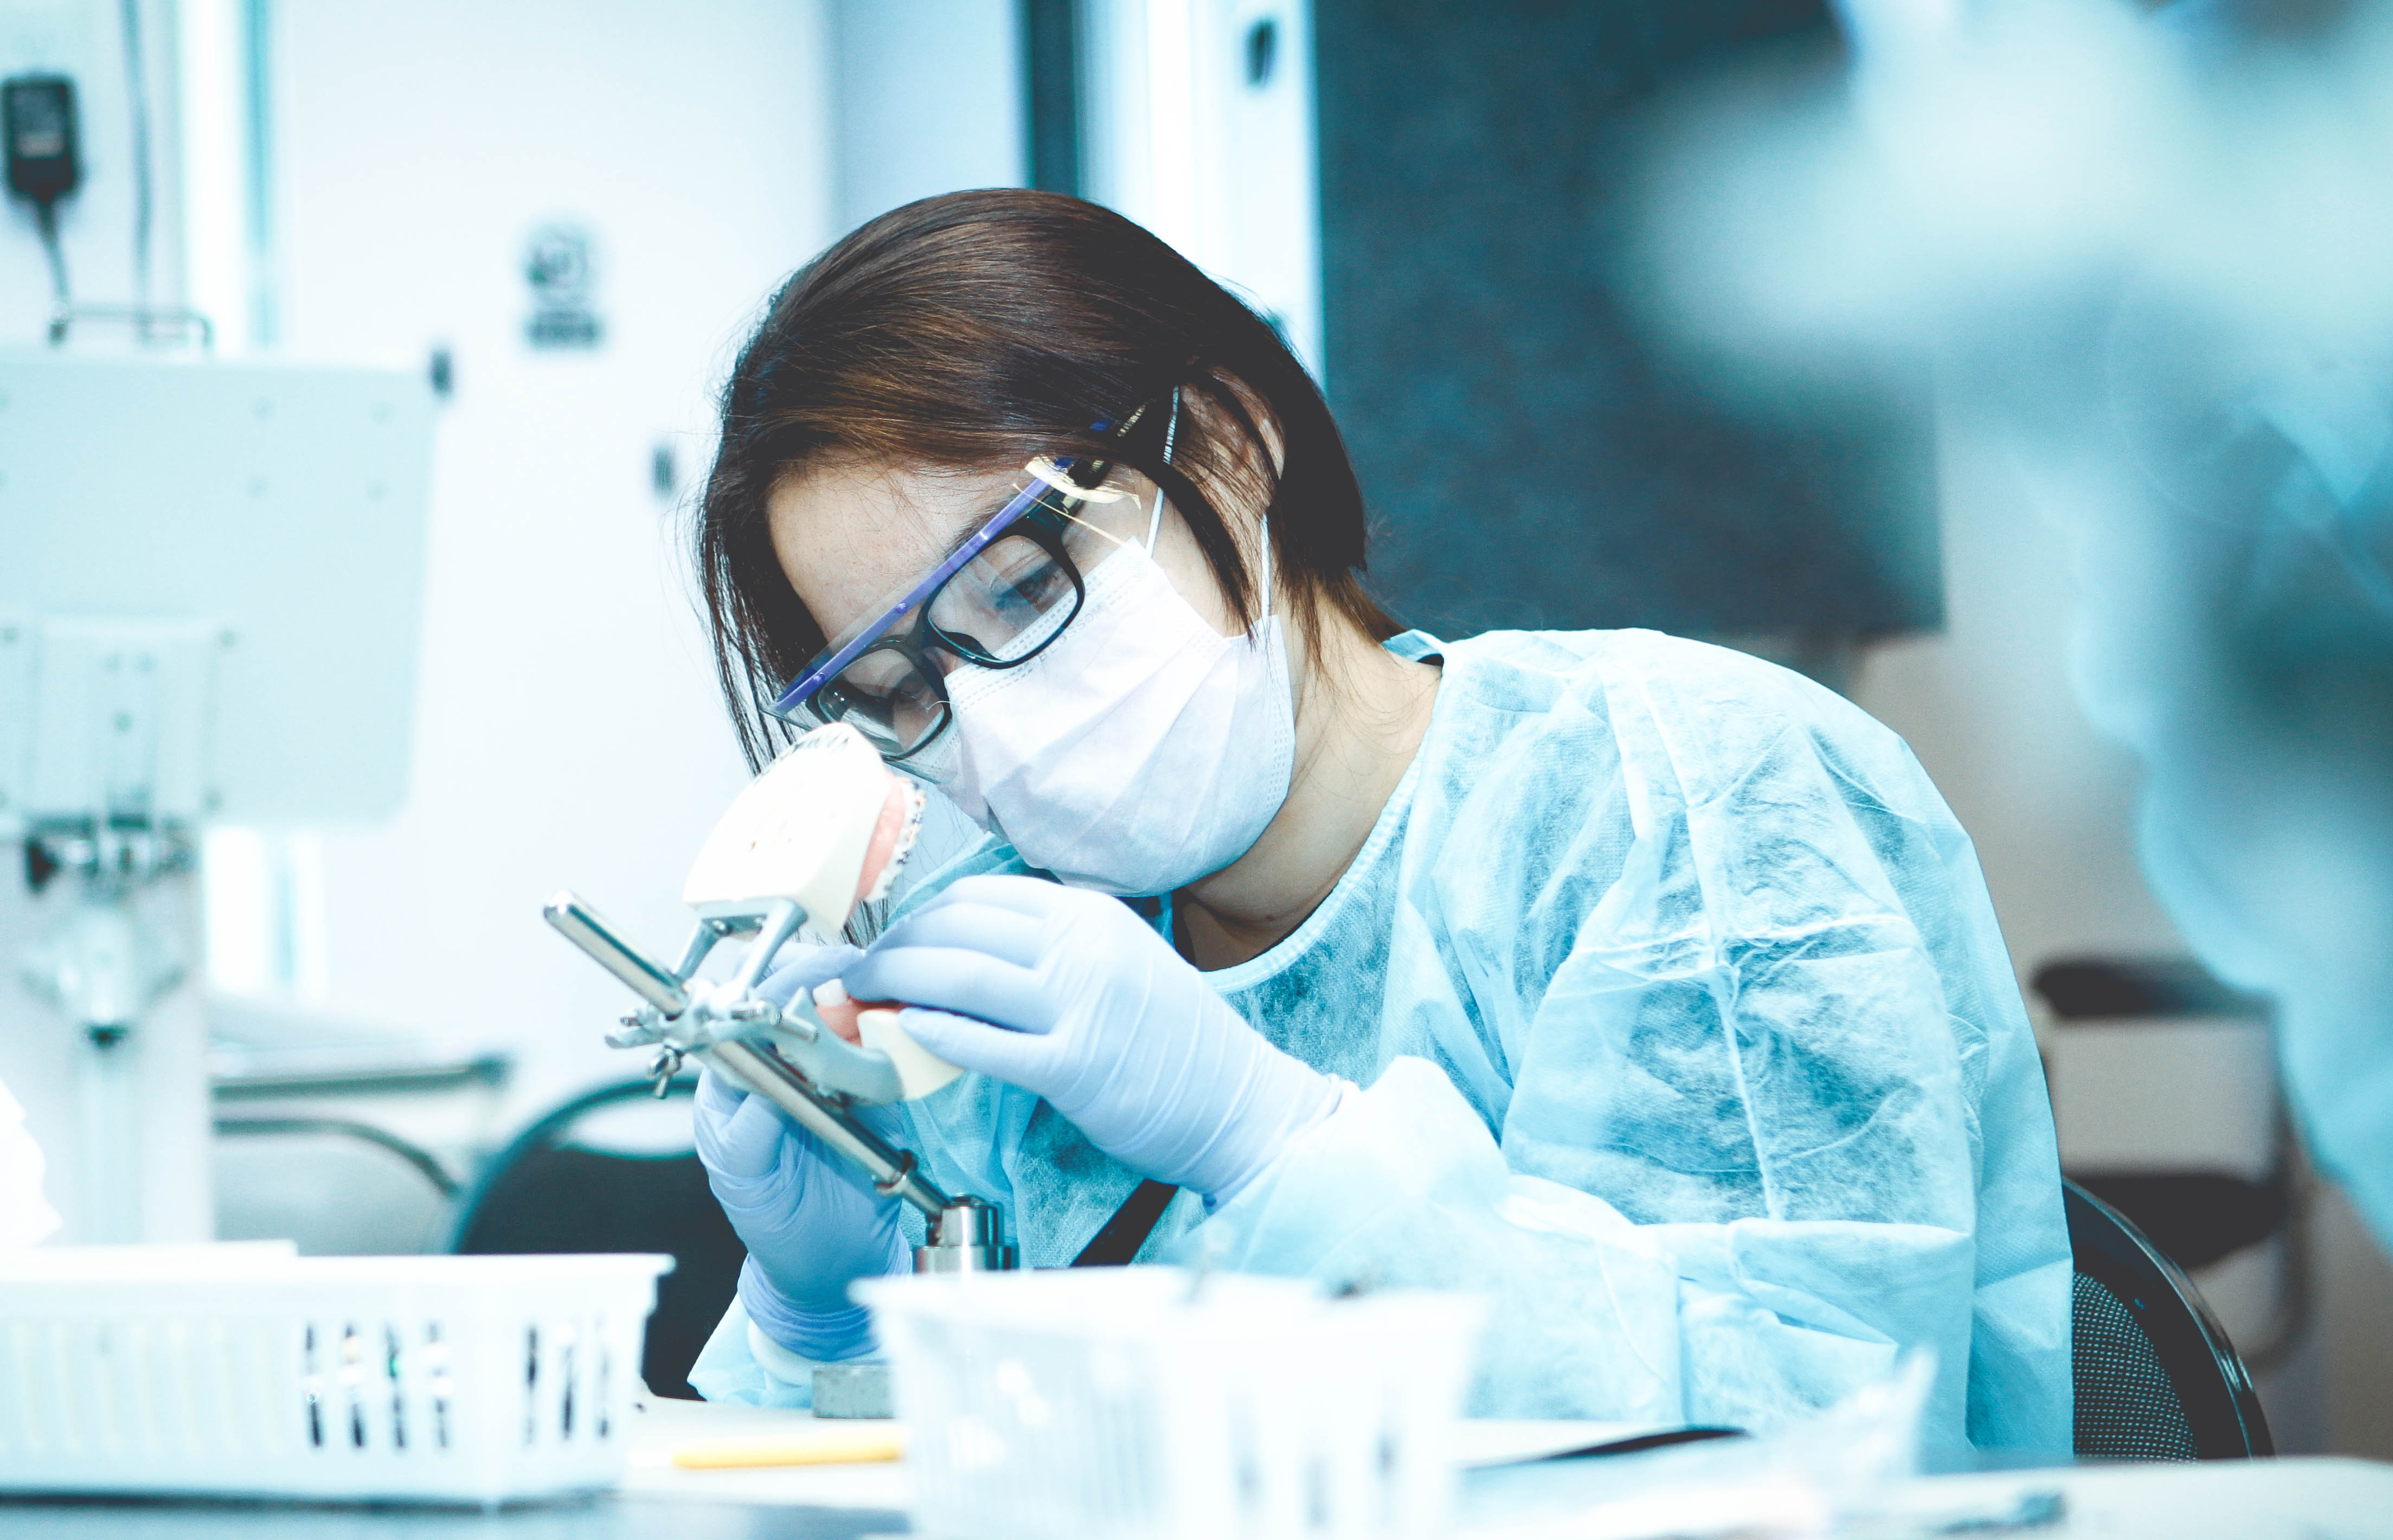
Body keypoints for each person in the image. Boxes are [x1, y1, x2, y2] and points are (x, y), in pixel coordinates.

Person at [679, 189, 2071, 1453]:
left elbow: (1828, 1436)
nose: (994, 732)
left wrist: (1269, 1141)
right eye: (895, 688)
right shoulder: (998, 994)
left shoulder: (1679, 797)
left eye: (1029, 588)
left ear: (1227, 445)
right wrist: (828, 1319)